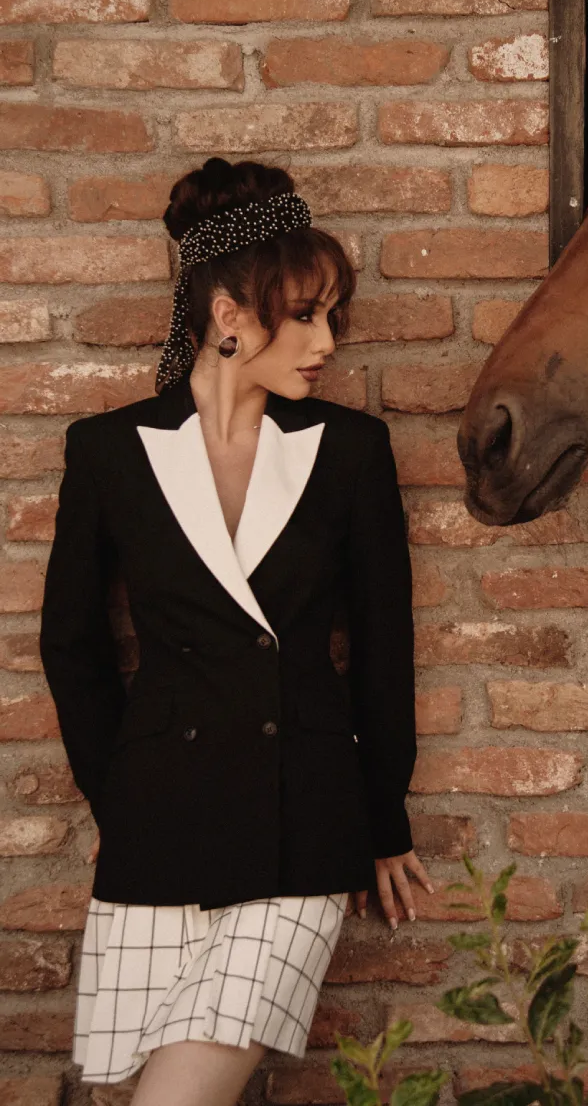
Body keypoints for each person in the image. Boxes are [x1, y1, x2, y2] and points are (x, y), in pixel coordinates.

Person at [39, 157, 432, 1106]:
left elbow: (384, 652)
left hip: (303, 826)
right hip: (156, 829)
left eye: (333, 316)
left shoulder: (350, 451)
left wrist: (384, 820)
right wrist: (113, 797)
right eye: (305, 315)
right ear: (227, 315)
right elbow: (72, 644)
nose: (326, 341)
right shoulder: (109, 451)